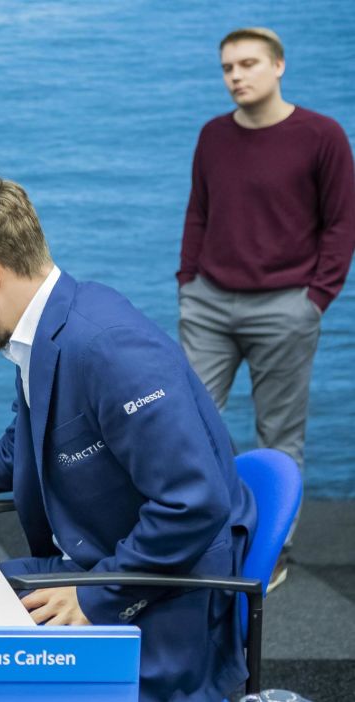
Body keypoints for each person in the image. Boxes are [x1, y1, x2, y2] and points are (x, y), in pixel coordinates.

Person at [0, 175, 257, 701]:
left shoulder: (110, 349)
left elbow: (194, 503)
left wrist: (96, 599)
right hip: (95, 563)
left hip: (159, 602)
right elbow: (20, 453)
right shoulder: (48, 329)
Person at [177, 27, 355, 588]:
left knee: (279, 436)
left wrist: (315, 299)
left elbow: (341, 223)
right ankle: (205, 529)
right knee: (186, 418)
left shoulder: (322, 136)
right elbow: (198, 214)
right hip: (209, 304)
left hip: (286, 307)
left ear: (278, 66)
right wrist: (188, 283)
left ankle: (273, 549)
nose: (236, 76)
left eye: (248, 64)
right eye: (228, 67)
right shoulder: (213, 136)